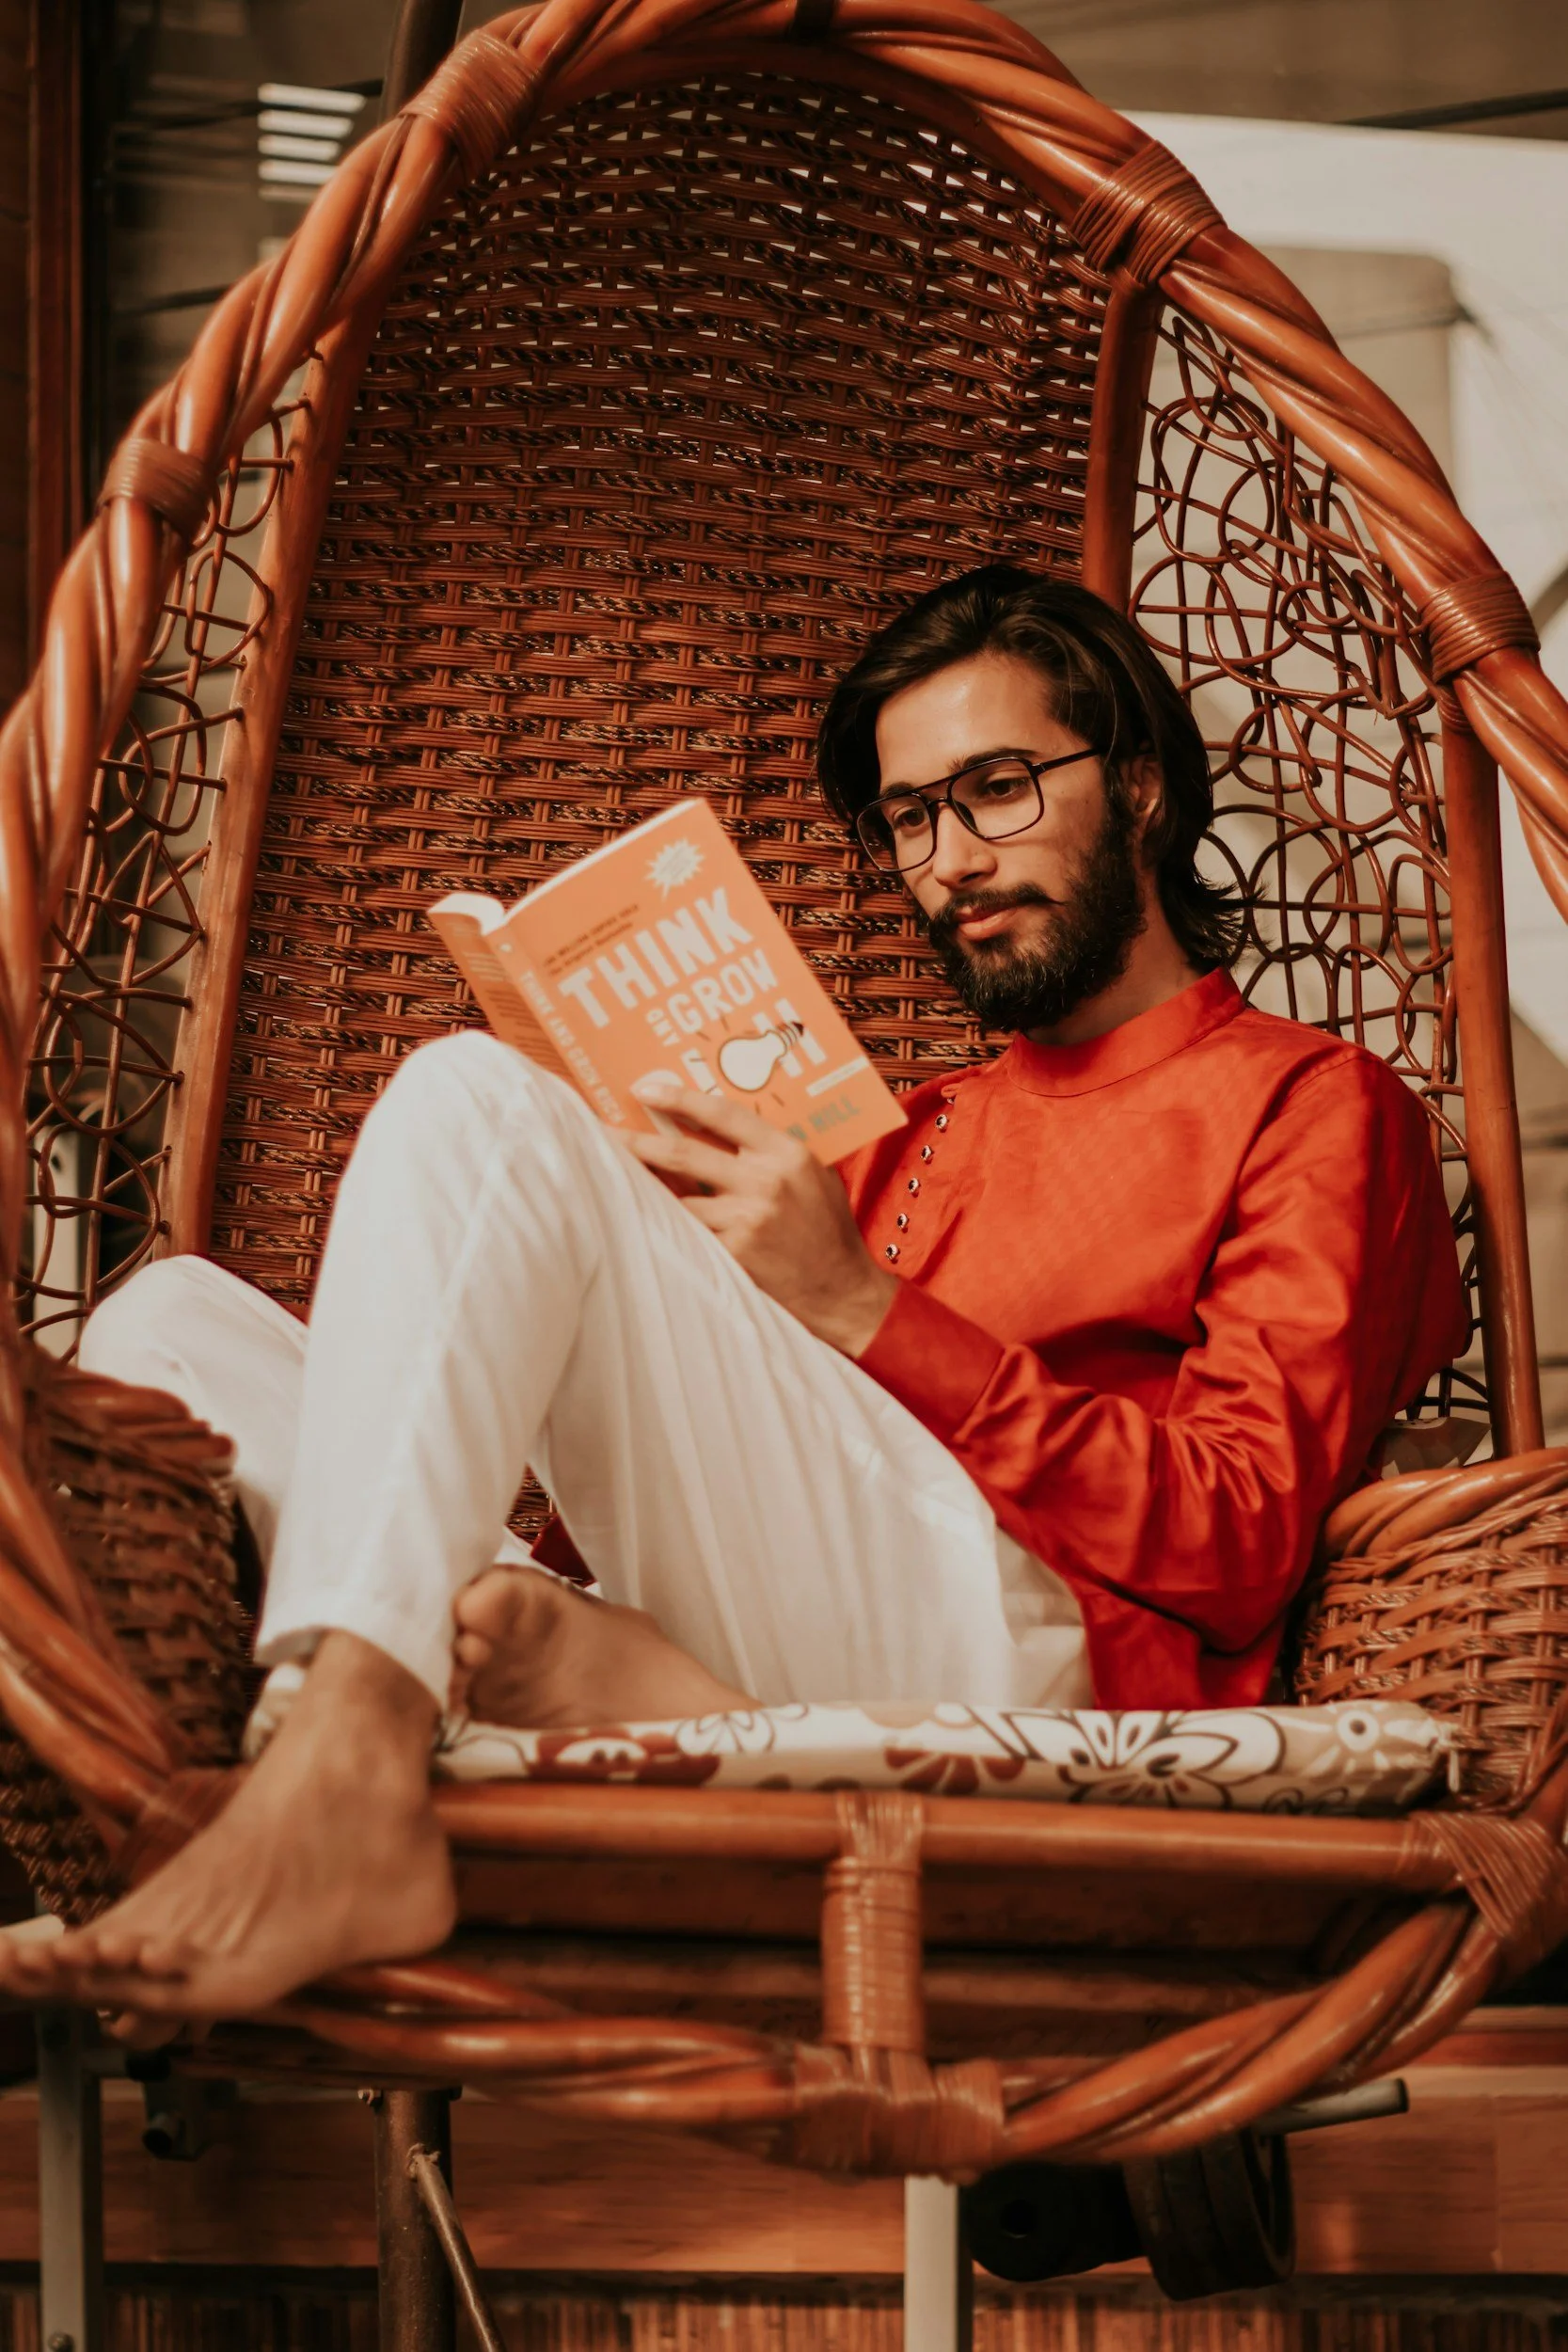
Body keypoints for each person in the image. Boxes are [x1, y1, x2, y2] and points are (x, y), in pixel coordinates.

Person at [0, 566, 1465, 2026]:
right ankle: (620, 1677)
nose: (950, 857)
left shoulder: (1312, 1103)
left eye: (998, 788)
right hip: (802, 1607)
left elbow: (1239, 1537)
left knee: (472, 1101)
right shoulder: (897, 1129)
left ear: (1139, 789)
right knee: (162, 1326)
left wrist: (856, 1307)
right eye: (912, 817)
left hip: (1056, 1657)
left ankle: (348, 1769)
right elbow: (727, 1458)